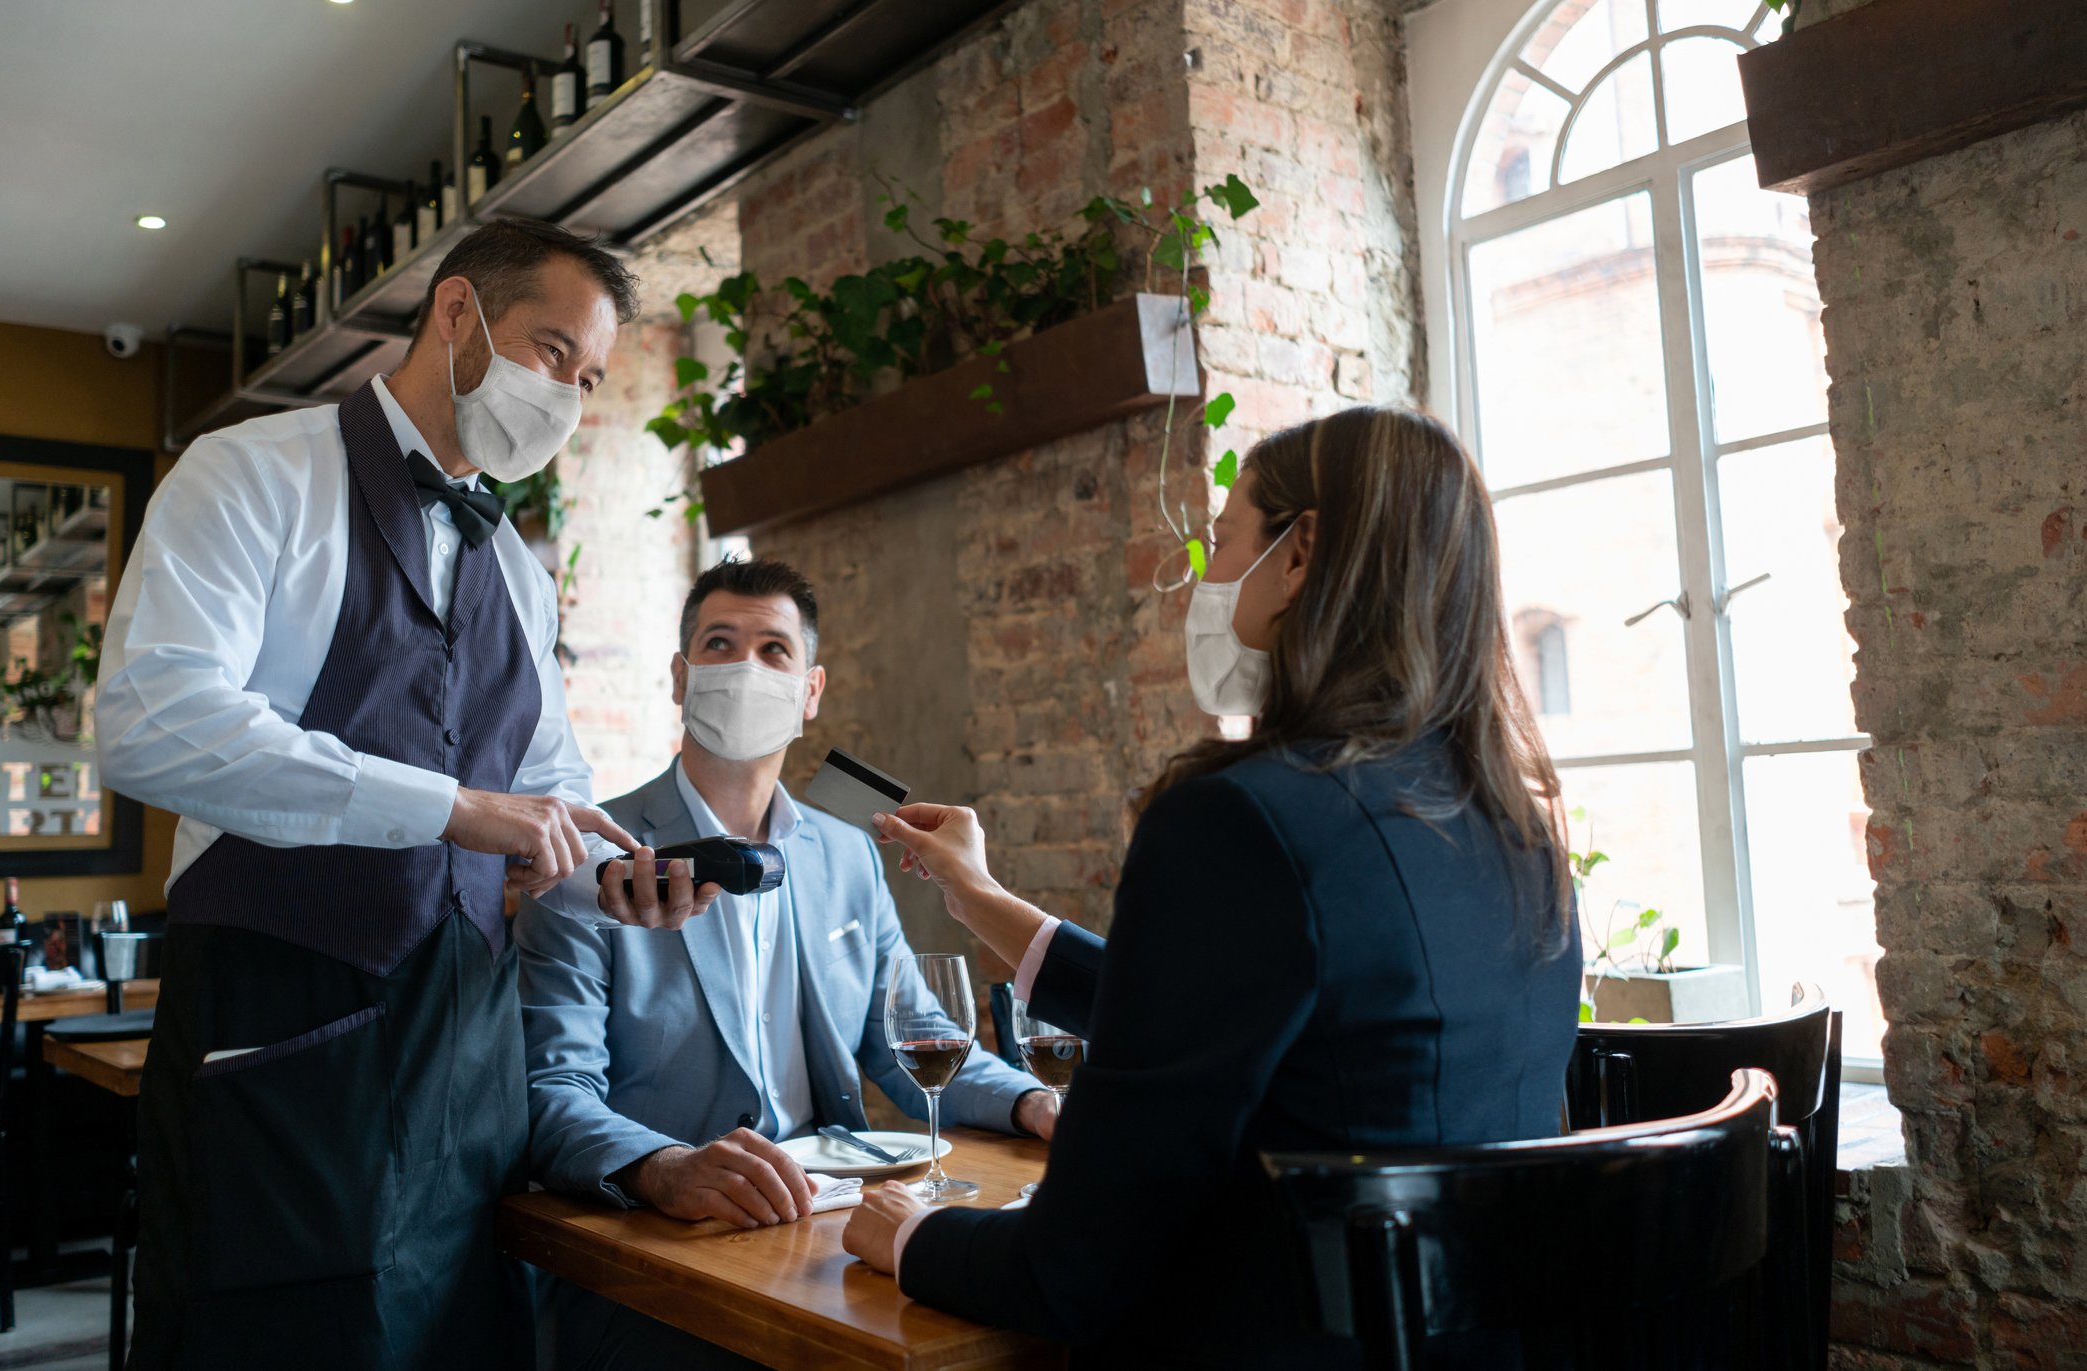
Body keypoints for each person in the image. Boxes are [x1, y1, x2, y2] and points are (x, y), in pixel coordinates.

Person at [96, 218, 722, 1371]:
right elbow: (151, 722)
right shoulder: (253, 473)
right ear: (455, 314)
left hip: (464, 1061)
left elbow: (546, 792)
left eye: (586, 381)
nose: (566, 399)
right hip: (281, 1038)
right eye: (550, 353)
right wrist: (448, 808)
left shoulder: (518, 578)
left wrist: (603, 877)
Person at [840, 407, 1585, 1367]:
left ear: (1301, 553)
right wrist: (984, 899)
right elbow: (1275, 1023)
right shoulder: (1514, 827)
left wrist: (906, 1235)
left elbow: (1073, 1268)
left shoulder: (1241, 820)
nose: (1204, 577)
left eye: (1224, 539)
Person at [518, 556, 1056, 1369]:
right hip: (667, 1255)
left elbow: (918, 1042)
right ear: (680, 676)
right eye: (720, 643)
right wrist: (664, 1169)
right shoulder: (594, 859)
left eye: (774, 650)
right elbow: (553, 1095)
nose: (744, 667)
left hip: (833, 1229)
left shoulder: (846, 856)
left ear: (810, 692)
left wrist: (1033, 1105)